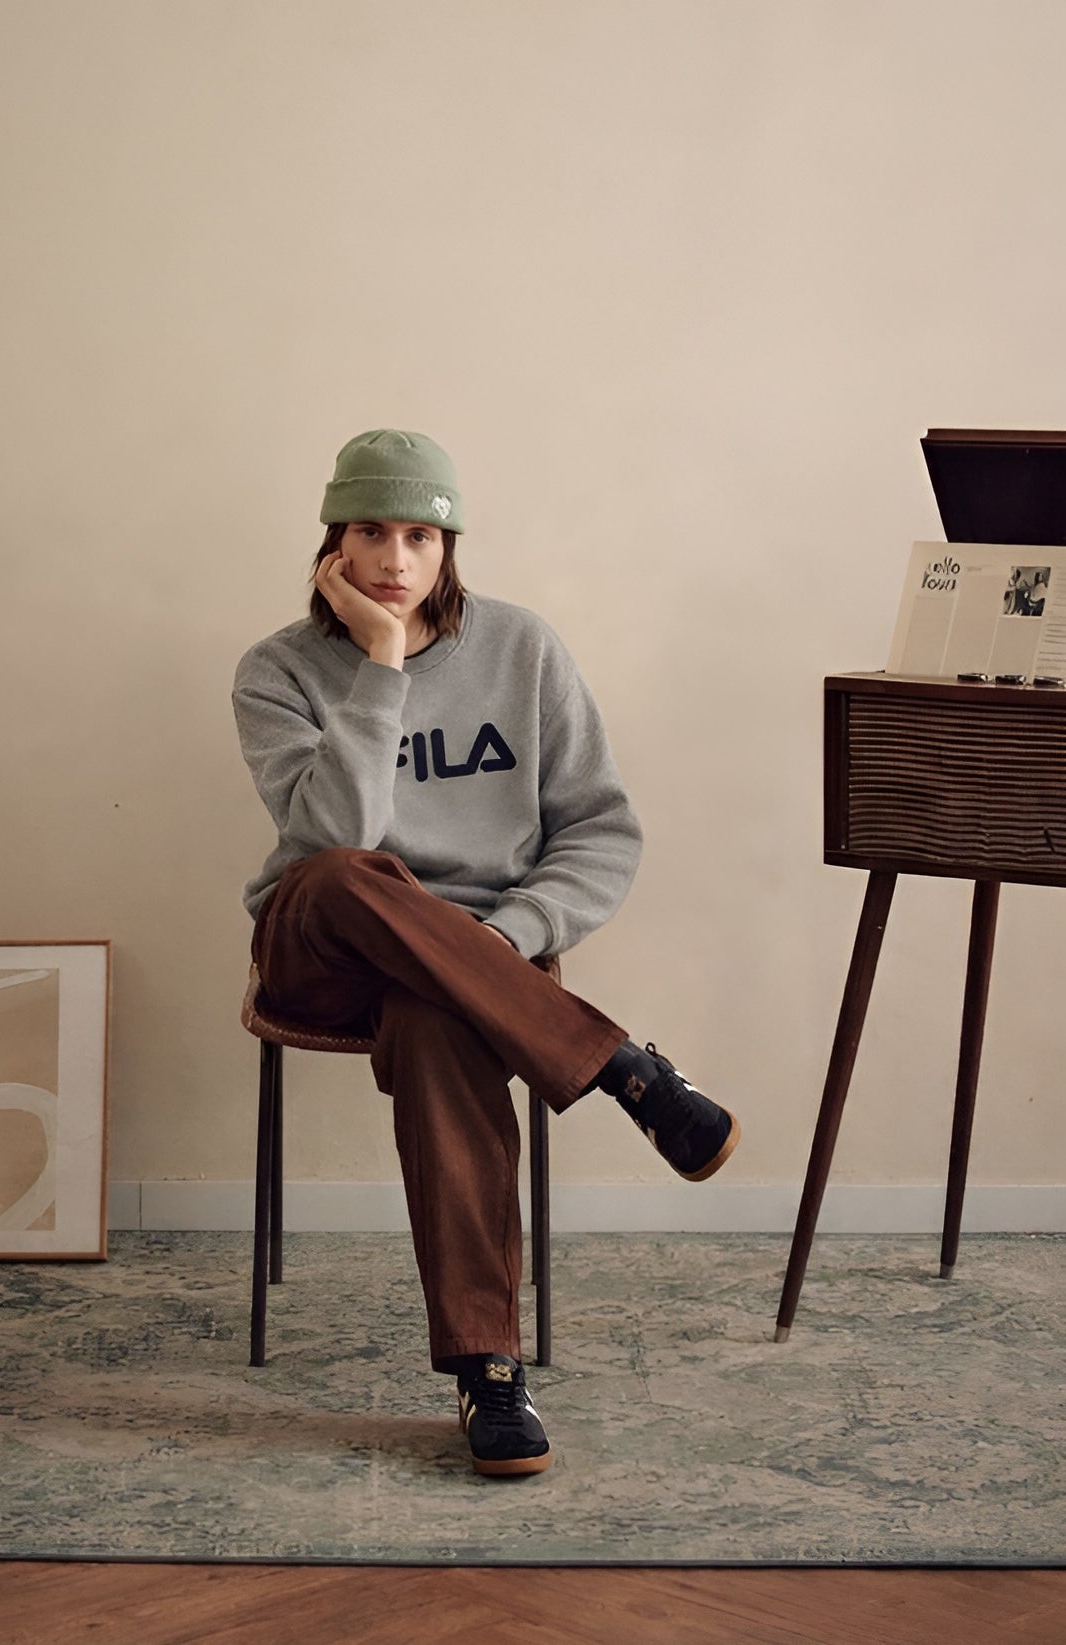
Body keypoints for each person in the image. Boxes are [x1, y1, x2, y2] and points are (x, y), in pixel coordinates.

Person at [232, 429, 740, 1478]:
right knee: (341, 872)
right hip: (321, 939)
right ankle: (621, 1068)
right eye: (371, 531)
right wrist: (380, 661)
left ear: (449, 544)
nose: (395, 558)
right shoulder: (276, 670)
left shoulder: (521, 649)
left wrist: (502, 939)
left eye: (419, 535)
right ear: (333, 544)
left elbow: (599, 831)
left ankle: (488, 1370)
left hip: (476, 963)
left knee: (439, 1016)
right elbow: (331, 834)